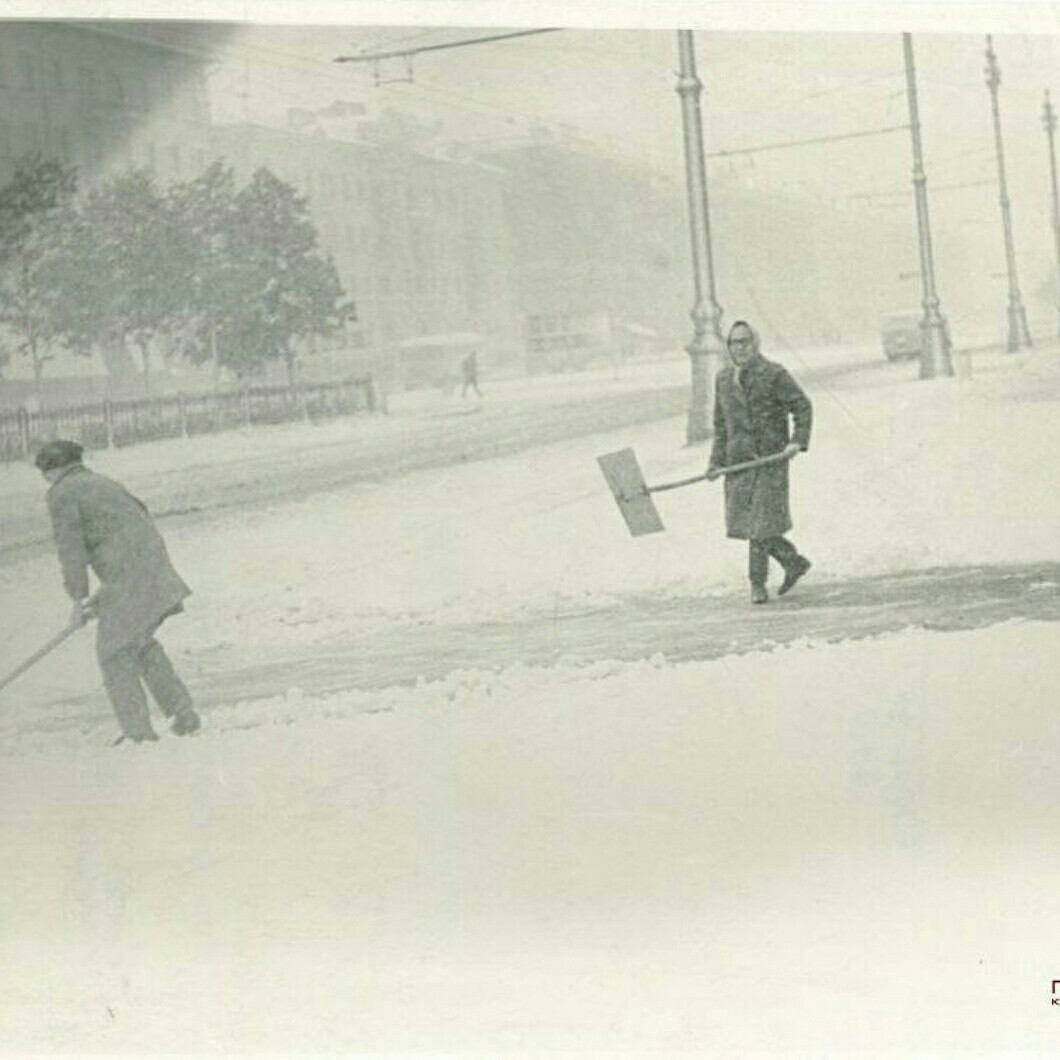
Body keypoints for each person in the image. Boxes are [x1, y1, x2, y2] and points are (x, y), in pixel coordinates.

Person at [35, 440, 201, 743]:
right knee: (140, 643)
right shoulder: (104, 483)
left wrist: (77, 599)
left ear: (52, 470)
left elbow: (71, 550)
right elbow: (130, 529)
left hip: (129, 578)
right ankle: (182, 713)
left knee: (113, 653)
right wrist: (106, 593)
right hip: (152, 568)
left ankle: (138, 734)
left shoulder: (61, 493)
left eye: (44, 473)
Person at [706, 321, 813, 604]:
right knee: (755, 525)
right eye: (733, 343)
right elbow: (721, 424)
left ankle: (757, 584)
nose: (739, 348)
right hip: (738, 464)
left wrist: (796, 441)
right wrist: (715, 461)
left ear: (756, 343)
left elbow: (802, 406)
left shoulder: (774, 374)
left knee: (759, 526)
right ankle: (793, 561)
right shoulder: (723, 379)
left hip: (769, 461)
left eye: (744, 342)